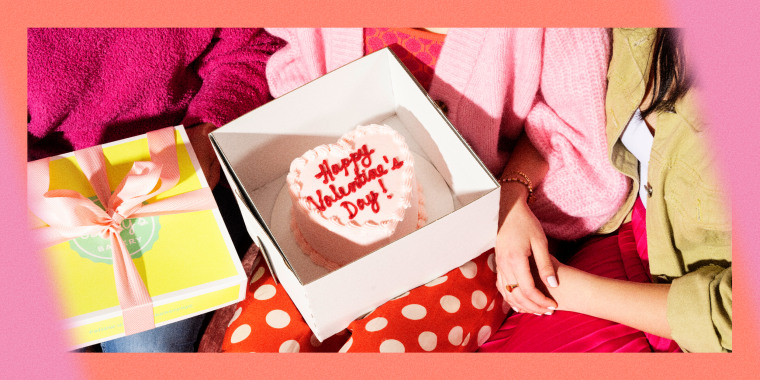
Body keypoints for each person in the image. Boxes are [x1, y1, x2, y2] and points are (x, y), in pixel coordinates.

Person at [220, 28, 629, 353]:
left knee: (388, 349)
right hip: (322, 221)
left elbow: (572, 133)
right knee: (255, 342)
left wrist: (511, 194)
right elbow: (294, 59)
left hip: (477, 232)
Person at [28, 28, 283, 352]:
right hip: (45, 195)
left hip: (185, 167)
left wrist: (209, 126)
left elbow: (249, 47)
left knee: (149, 347)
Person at [481, 28, 731, 353]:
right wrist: (512, 197)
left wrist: (571, 290)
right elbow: (565, 122)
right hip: (617, 233)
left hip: (689, 320)